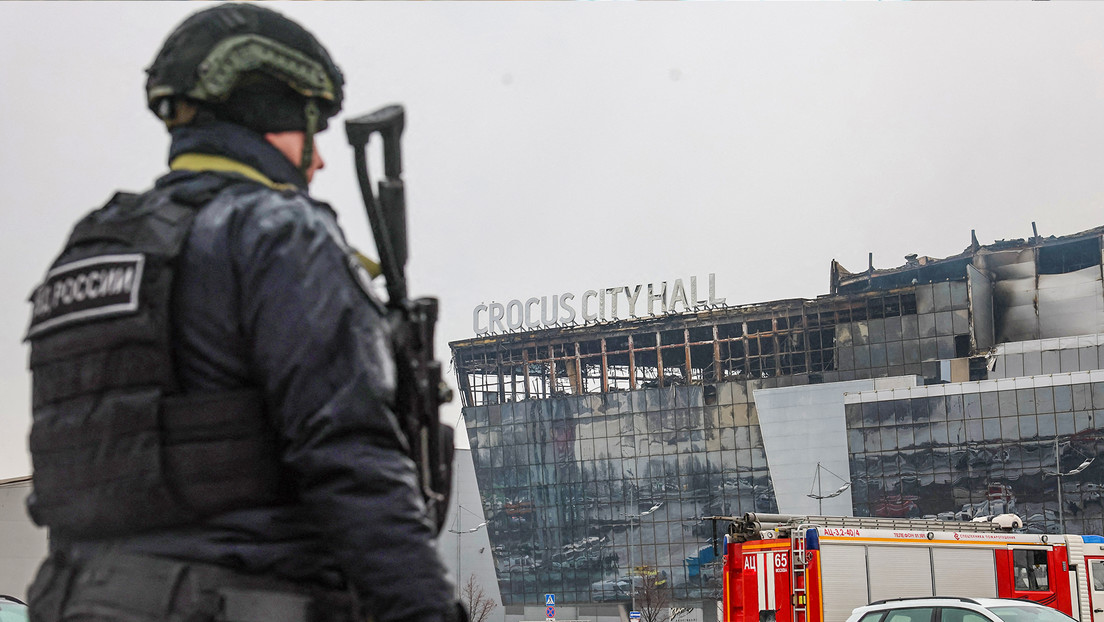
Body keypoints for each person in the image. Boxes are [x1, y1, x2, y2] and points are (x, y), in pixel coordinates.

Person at [23, 5, 463, 622]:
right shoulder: (278, 233)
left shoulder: (88, 250)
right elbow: (352, 459)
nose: (319, 161)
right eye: (311, 129)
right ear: (270, 115)